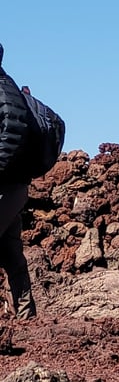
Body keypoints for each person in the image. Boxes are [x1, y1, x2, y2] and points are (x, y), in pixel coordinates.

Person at [0, 43, 37, 319]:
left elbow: (14, 126)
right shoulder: (6, 87)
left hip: (6, 185)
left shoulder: (3, 89)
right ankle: (27, 317)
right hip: (12, 185)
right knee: (11, 251)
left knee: (12, 251)